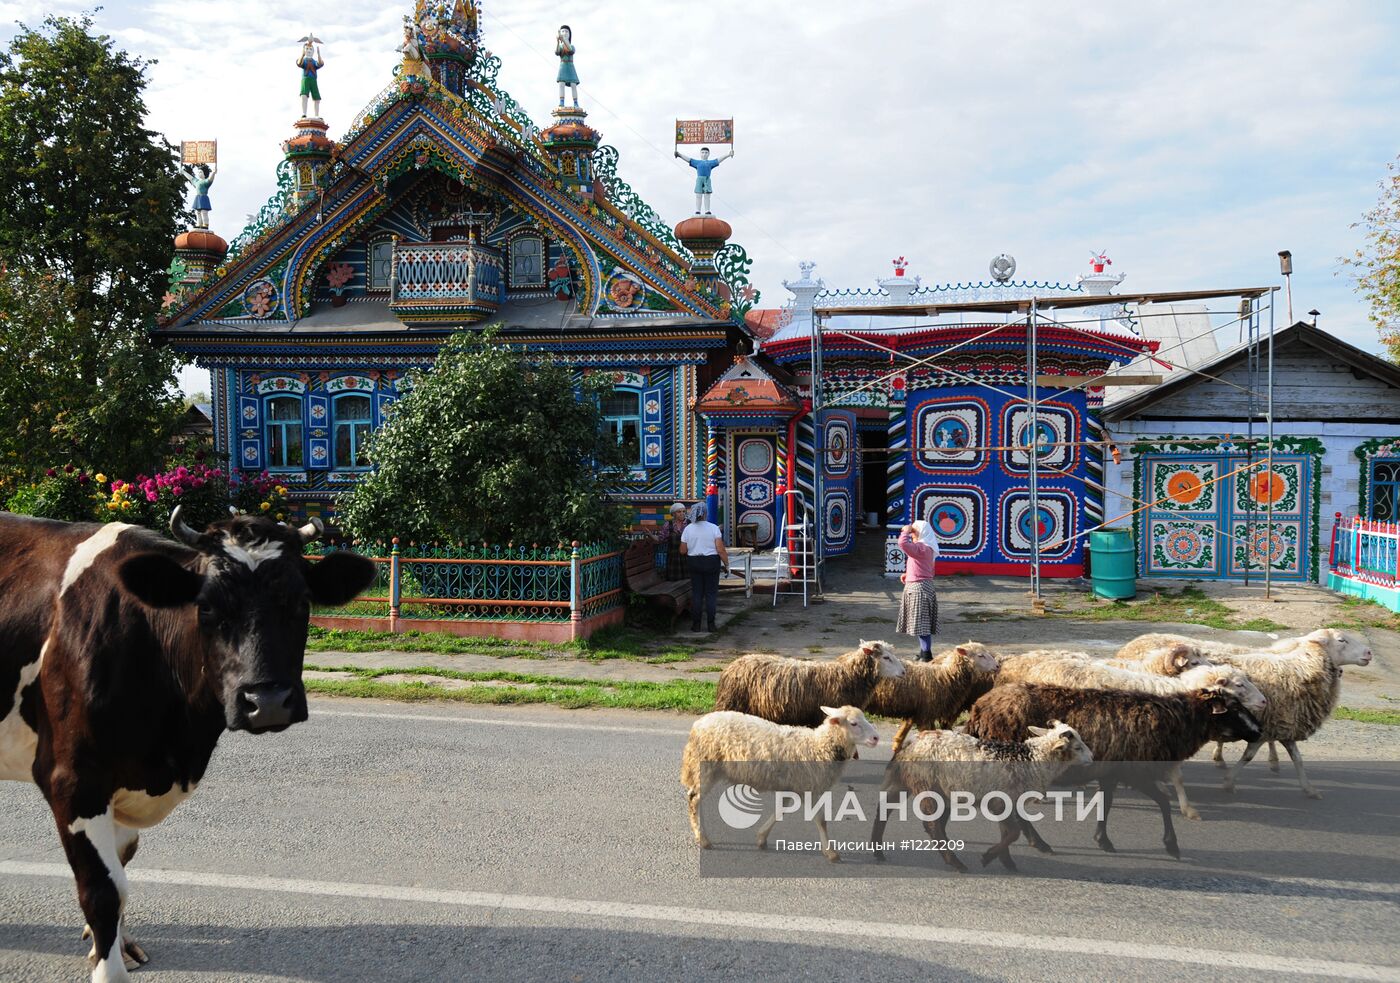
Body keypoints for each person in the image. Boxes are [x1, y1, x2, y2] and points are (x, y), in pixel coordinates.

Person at [896, 518, 940, 661]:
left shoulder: (922, 548)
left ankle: (926, 654)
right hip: (921, 585)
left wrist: (906, 531)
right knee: (921, 623)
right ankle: (923, 652)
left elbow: (902, 543)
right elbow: (927, 570)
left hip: (919, 588)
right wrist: (908, 574)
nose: (913, 534)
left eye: (915, 532)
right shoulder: (927, 548)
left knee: (922, 624)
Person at [680, 510, 728, 633]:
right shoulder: (713, 528)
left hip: (694, 562)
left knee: (697, 594)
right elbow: (720, 549)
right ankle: (711, 625)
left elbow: (683, 550)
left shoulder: (688, 529)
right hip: (711, 562)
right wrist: (727, 564)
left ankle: (696, 625)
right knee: (711, 594)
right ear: (705, 514)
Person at [674, 146, 734, 215]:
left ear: (708, 154)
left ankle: (707, 210)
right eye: (702, 152)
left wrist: (728, 154)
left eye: (706, 153)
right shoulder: (697, 162)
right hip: (699, 179)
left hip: (707, 179)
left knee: (707, 195)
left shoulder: (710, 163)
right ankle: (697, 210)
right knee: (698, 195)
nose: (704, 154)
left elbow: (718, 160)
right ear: (700, 154)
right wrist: (679, 155)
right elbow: (688, 159)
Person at [653, 502, 689, 581]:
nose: (682, 514)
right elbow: (661, 539)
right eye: (679, 512)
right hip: (673, 559)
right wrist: (650, 535)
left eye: (683, 511)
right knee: (674, 581)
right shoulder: (668, 525)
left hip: (687, 557)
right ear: (673, 514)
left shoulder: (689, 524)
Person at [297, 38, 324, 118]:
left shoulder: (313, 61)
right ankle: (304, 113)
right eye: (307, 49)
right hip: (305, 79)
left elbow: (320, 64)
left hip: (313, 80)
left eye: (311, 49)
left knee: (317, 97)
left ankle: (316, 115)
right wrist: (302, 54)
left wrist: (319, 54)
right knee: (304, 95)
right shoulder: (304, 60)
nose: (309, 50)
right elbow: (299, 63)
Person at [555, 26, 579, 108]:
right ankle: (561, 102)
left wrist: (564, 39)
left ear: (569, 34)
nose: (564, 33)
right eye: (563, 31)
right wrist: (558, 41)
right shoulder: (561, 46)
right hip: (563, 66)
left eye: (566, 31)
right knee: (561, 83)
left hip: (570, 66)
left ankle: (575, 102)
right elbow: (557, 52)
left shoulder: (572, 46)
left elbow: (570, 50)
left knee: (573, 84)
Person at [187, 163, 216, 229]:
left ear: (204, 173)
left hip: (203, 197)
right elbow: (190, 178)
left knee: (204, 212)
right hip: (198, 198)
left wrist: (213, 173)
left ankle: (205, 224)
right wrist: (183, 172)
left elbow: (210, 179)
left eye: (200, 172)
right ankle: (199, 223)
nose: (199, 173)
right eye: (198, 172)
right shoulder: (196, 181)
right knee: (198, 212)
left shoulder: (205, 182)